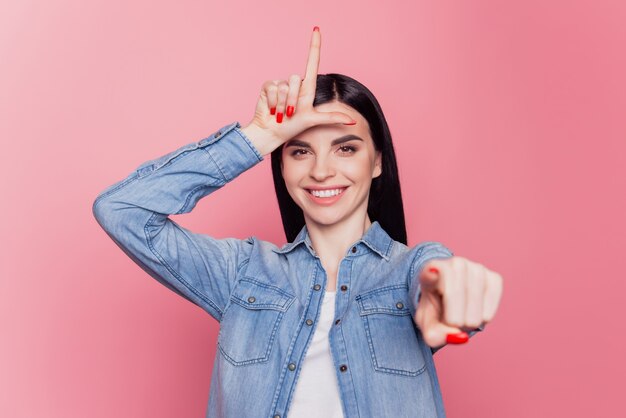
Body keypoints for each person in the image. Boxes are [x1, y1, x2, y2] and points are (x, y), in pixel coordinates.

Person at [92, 26, 503, 418]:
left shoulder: (409, 271)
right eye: (300, 151)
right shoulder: (242, 274)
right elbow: (122, 210)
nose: (322, 171)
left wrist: (449, 287)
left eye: (345, 149)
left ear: (377, 161)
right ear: (282, 165)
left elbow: (434, 274)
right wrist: (257, 136)